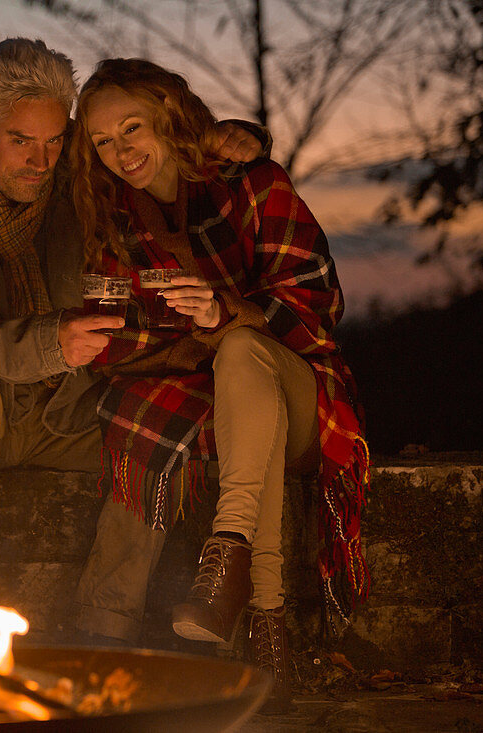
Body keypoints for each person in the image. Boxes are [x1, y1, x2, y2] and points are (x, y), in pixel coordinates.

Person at [0, 39, 265, 645]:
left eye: (56, 139)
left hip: (69, 406)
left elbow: (147, 146)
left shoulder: (79, 168)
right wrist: (45, 344)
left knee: (163, 413)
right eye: (22, 141)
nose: (43, 159)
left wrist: (222, 137)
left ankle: (104, 629)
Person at [69, 58, 370, 697]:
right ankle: (267, 633)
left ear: (168, 118)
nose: (121, 152)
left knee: (240, 356)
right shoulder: (117, 219)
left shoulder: (252, 182)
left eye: (132, 129)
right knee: (200, 398)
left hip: (302, 394)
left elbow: (318, 302)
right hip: (222, 402)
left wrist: (223, 314)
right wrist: (200, 333)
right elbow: (115, 338)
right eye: (102, 142)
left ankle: (225, 548)